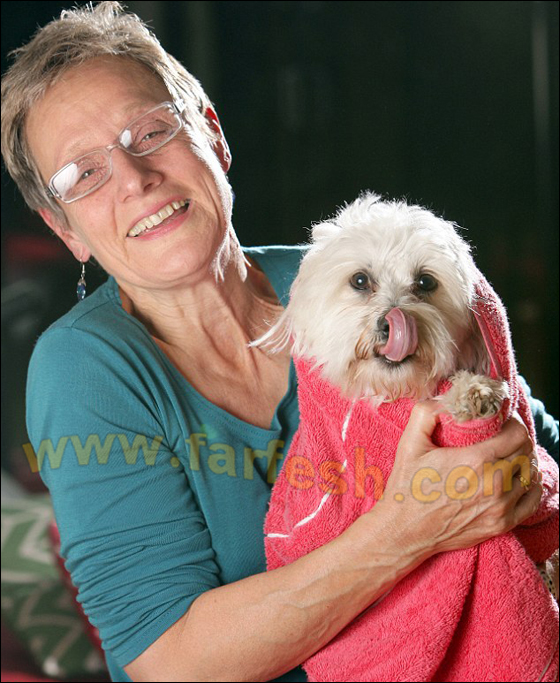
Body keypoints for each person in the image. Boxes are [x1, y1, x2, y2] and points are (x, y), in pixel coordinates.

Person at [1, 3, 557, 682]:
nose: (135, 177)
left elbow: (529, 430)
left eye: (150, 130)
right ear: (65, 229)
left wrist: (525, 482)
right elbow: (168, 661)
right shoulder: (85, 370)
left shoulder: (355, 275)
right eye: (83, 174)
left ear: (212, 135)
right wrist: (412, 526)